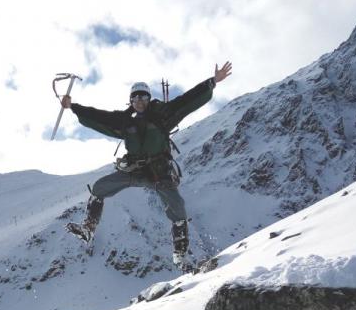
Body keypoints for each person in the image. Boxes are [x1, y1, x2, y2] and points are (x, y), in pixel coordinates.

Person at [61, 62, 232, 266]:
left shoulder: (163, 114)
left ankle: (180, 254)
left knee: (178, 207)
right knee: (99, 188)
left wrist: (212, 82)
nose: (139, 100)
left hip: (159, 173)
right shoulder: (124, 121)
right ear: (130, 101)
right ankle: (88, 229)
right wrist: (73, 107)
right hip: (133, 171)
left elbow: (187, 101)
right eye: (135, 97)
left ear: (149, 98)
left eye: (143, 96)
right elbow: (99, 116)